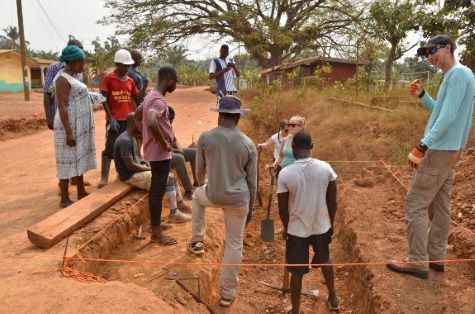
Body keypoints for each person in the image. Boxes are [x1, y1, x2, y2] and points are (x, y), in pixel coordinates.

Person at [387, 35, 475, 279]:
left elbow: (447, 119)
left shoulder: (457, 74)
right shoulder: (459, 75)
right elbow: (443, 112)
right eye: (426, 53)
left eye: (433, 50)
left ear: (448, 47)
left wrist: (422, 146)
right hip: (451, 150)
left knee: (415, 203)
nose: (430, 57)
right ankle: (436, 257)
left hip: (440, 150)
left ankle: (417, 261)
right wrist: (424, 96)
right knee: (440, 204)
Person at [187, 95, 257, 307]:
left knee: (197, 199)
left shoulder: (205, 137)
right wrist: (250, 207)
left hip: (213, 194)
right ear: (237, 118)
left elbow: (199, 172)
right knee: (234, 243)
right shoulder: (248, 143)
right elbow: (252, 182)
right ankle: (227, 294)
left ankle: (197, 241)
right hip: (239, 199)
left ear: (220, 116)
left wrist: (204, 184)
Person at [277, 131, 340, 313]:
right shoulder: (326, 168)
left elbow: (282, 209)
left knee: (296, 272)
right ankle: (333, 298)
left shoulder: (285, 173)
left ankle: (296, 311)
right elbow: (332, 202)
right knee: (325, 259)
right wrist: (330, 225)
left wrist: (287, 228)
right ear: (311, 147)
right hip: (321, 225)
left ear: (293, 148)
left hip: (297, 229)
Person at [113, 113, 191, 223]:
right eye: (142, 123)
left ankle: (180, 204)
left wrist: (144, 162)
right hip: (130, 176)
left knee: (171, 176)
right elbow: (130, 165)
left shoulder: (132, 137)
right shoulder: (125, 140)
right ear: (134, 123)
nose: (144, 126)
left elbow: (136, 159)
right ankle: (174, 213)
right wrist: (150, 169)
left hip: (135, 171)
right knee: (167, 178)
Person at [43, 38, 91, 188]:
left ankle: (75, 180)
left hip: (77, 118)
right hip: (64, 117)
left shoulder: (78, 72)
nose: (83, 63)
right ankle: (63, 186)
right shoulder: (55, 70)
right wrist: (49, 117)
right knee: (65, 152)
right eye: (81, 58)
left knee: (77, 151)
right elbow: (47, 94)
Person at [140, 66, 179, 245]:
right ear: (168, 80)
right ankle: (156, 233)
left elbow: (137, 116)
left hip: (153, 151)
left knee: (156, 191)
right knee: (157, 192)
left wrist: (147, 138)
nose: (175, 86)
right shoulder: (160, 100)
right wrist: (164, 142)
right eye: (175, 82)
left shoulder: (150, 95)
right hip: (159, 154)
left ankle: (156, 226)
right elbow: (150, 119)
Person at [53, 45, 96, 208]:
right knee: (66, 160)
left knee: (78, 156)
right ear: (73, 62)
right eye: (82, 62)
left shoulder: (73, 76)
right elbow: (62, 106)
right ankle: (64, 198)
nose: (83, 64)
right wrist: (69, 132)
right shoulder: (62, 79)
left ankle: (80, 191)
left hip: (77, 124)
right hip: (68, 125)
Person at [99, 49, 141, 188]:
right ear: (117, 64)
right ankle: (104, 178)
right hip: (115, 120)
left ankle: (121, 173)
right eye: (124, 65)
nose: (126, 68)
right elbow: (103, 99)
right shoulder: (108, 78)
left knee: (128, 147)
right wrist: (110, 118)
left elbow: (135, 98)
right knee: (110, 148)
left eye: (128, 65)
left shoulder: (130, 81)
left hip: (128, 121)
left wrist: (137, 116)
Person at [168, 106, 198, 196]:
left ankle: (197, 182)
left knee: (194, 152)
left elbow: (174, 140)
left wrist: (179, 148)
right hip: (162, 156)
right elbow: (162, 148)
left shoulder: (169, 126)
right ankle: (188, 189)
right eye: (169, 119)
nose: (171, 122)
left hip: (171, 151)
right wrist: (176, 151)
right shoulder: (157, 128)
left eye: (172, 120)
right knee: (179, 159)